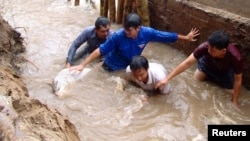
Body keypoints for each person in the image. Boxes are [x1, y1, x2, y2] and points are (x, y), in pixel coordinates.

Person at [69, 13, 199, 72]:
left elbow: (165, 36)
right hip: (110, 65)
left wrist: (186, 38)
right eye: (125, 30)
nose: (127, 33)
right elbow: (101, 50)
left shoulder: (147, 33)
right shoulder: (118, 35)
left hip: (128, 67)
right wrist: (83, 65)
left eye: (129, 31)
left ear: (138, 28)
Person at [155, 30, 243, 106]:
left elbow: (238, 80)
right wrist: (167, 79)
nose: (208, 50)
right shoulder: (205, 47)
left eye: (212, 50)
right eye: (208, 47)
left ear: (223, 50)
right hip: (207, 66)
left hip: (224, 72)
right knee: (195, 82)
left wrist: (235, 101)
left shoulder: (235, 57)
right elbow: (187, 63)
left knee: (230, 93)